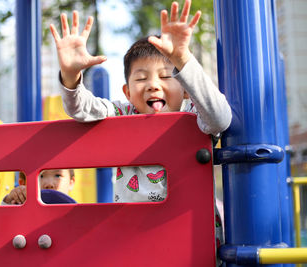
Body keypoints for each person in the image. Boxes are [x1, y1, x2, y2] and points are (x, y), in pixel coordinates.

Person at [49, 0, 232, 203]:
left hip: (191, 228)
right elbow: (81, 109)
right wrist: (70, 74)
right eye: (141, 78)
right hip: (134, 229)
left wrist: (184, 59)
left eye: (164, 76)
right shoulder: (122, 114)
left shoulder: (195, 114)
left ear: (187, 89)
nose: (152, 85)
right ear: (127, 93)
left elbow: (220, 118)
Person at [2, 169, 75, 205]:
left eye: (58, 176)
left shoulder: (74, 210)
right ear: (23, 184)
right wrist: (8, 201)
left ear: (71, 183)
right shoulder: (21, 205)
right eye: (41, 176)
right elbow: (3, 222)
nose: (49, 184)